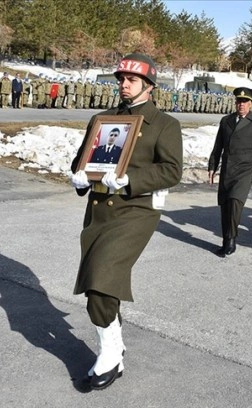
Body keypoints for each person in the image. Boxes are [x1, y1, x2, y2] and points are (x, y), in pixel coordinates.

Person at [69, 53, 183, 390]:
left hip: (136, 211)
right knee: (99, 285)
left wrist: (130, 179)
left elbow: (172, 170)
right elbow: (83, 159)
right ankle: (115, 349)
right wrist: (77, 175)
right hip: (100, 209)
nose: (123, 84)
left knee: (101, 276)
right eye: (120, 78)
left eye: (131, 80)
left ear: (148, 86)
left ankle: (109, 354)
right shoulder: (102, 119)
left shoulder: (164, 124)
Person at [208, 87, 252, 257]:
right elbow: (218, 146)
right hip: (228, 168)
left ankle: (231, 240)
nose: (241, 105)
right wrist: (212, 166)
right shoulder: (226, 121)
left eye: (245, 102)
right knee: (225, 204)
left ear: (251, 104)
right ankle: (225, 240)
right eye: (239, 101)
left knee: (235, 202)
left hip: (244, 169)